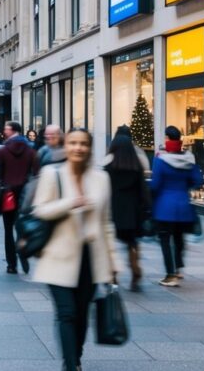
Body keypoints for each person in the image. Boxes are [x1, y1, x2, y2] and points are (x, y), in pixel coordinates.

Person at [32, 128, 119, 371]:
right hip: (58, 256)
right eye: (73, 143)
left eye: (83, 143)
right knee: (67, 313)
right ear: (65, 146)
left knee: (81, 316)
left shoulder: (101, 178)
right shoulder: (52, 173)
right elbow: (40, 209)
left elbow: (106, 223)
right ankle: (71, 366)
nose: (78, 148)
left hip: (91, 258)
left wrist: (113, 263)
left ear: (90, 147)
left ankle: (75, 357)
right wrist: (71, 203)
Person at [151, 126, 203, 287]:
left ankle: (170, 274)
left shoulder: (160, 160)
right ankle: (179, 269)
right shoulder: (189, 159)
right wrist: (184, 185)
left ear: (167, 139)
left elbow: (155, 185)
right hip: (183, 206)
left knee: (165, 240)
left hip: (165, 207)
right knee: (179, 238)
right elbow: (198, 181)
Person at [103, 133, 151, 292]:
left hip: (114, 210)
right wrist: (145, 209)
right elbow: (143, 191)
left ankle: (113, 274)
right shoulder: (136, 166)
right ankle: (135, 269)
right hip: (133, 211)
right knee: (132, 243)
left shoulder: (109, 168)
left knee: (110, 244)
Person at [0, 121, 38, 274]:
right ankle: (22, 250)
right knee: (22, 227)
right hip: (25, 195)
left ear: (13, 130)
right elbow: (36, 173)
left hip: (8, 195)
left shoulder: (2, 152)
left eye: (6, 128)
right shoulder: (31, 151)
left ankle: (11, 264)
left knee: (8, 230)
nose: (4, 130)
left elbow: (0, 176)